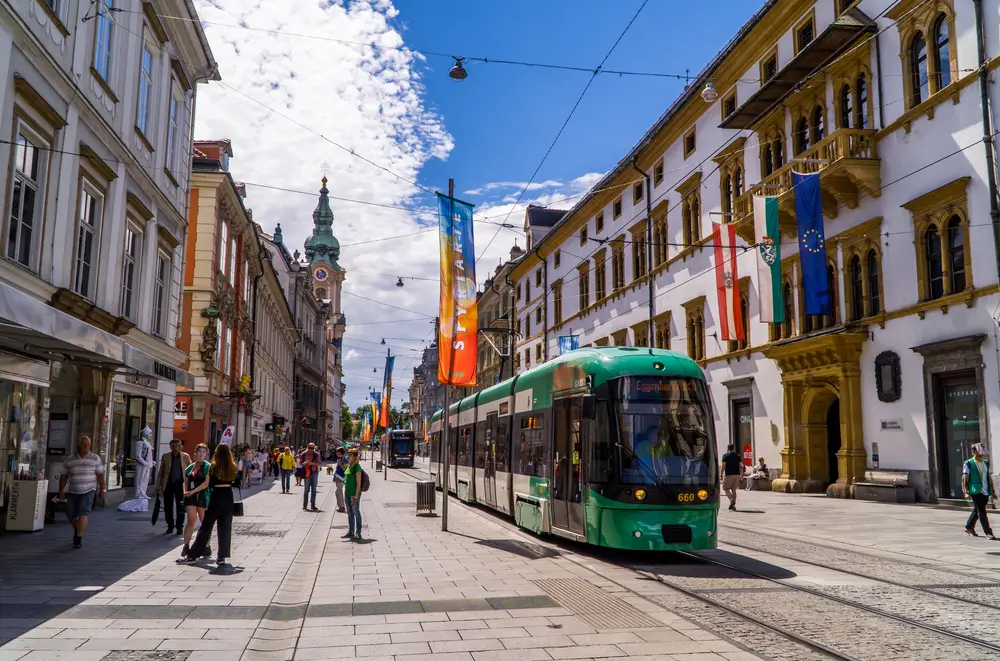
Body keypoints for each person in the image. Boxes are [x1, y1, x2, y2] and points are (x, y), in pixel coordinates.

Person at [179, 443, 240, 566]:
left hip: (216, 495)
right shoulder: (233, 466)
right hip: (228, 496)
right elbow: (237, 481)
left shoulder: (213, 467)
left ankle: (193, 554)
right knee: (225, 528)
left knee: (206, 526)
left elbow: (210, 483)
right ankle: (221, 557)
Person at [58, 436, 106, 549]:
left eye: (88, 445)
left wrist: (102, 489)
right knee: (70, 513)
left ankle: (78, 539)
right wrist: (61, 490)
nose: (86, 447)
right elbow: (63, 476)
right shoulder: (70, 459)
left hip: (89, 490)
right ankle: (78, 529)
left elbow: (100, 475)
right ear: (79, 445)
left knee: (83, 513)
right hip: (73, 490)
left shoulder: (95, 458)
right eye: (84, 445)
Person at [181, 444, 212, 559]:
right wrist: (185, 491)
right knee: (191, 520)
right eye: (199, 451)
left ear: (206, 454)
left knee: (204, 522)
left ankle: (206, 545)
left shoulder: (208, 467)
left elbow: (206, 484)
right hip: (190, 497)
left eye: (204, 452)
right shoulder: (190, 467)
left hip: (202, 496)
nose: (201, 454)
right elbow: (185, 480)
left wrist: (193, 491)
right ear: (195, 452)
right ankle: (186, 545)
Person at [155, 439, 192, 535]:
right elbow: (161, 472)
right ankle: (170, 525)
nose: (177, 448)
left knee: (181, 506)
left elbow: (190, 472)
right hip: (168, 484)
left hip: (181, 484)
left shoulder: (185, 457)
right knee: (168, 506)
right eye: (175, 446)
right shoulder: (166, 457)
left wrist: (190, 486)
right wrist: (158, 486)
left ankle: (179, 527)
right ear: (171, 447)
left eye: (179, 446)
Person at [963, 442, 996, 540]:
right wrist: (966, 491)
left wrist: (993, 491)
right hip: (975, 490)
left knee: (977, 509)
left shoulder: (985, 462)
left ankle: (969, 527)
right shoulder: (968, 463)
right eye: (979, 451)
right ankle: (988, 532)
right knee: (982, 512)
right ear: (974, 451)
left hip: (986, 490)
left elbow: (989, 477)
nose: (981, 453)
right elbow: (965, 478)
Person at [343, 448, 364, 541]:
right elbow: (346, 478)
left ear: (355, 457)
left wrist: (356, 495)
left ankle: (358, 531)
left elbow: (358, 483)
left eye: (350, 455)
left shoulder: (357, 467)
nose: (348, 457)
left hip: (354, 493)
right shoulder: (348, 466)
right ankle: (351, 531)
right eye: (348, 455)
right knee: (349, 512)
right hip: (347, 492)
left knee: (356, 512)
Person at [299, 443, 321, 511]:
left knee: (314, 489)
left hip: (314, 472)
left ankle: (313, 505)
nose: (311, 449)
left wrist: (312, 463)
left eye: (313, 448)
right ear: (307, 447)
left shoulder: (316, 454)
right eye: (310, 448)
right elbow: (300, 463)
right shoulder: (303, 454)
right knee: (306, 489)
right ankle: (305, 505)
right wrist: (304, 463)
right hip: (307, 472)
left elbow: (319, 463)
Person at [720, 443, 742, 511]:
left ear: (728, 448)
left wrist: (721, 475)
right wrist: (741, 475)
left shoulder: (725, 456)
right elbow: (741, 466)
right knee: (734, 490)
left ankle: (732, 500)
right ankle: (733, 506)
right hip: (737, 475)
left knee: (725, 488)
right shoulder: (738, 456)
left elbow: (723, 466)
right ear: (733, 448)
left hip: (729, 475)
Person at [332, 447, 348, 513]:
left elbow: (345, 469)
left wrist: (340, 464)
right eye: (336, 452)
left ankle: (342, 507)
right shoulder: (340, 458)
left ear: (342, 453)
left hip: (341, 477)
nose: (336, 454)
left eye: (338, 453)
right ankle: (341, 506)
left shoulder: (344, 459)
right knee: (338, 492)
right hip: (338, 476)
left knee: (338, 491)